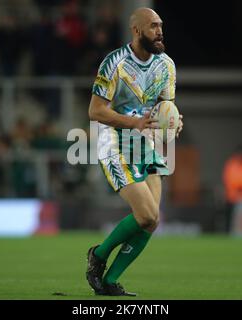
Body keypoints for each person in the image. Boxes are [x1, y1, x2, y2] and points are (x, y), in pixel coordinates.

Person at [86, 8, 183, 296]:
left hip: (146, 143)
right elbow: (95, 110)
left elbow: (165, 109)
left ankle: (109, 282)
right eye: (153, 26)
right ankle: (98, 256)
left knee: (152, 221)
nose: (160, 31)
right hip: (115, 142)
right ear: (137, 30)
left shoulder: (166, 65)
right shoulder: (114, 63)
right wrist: (134, 122)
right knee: (145, 215)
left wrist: (173, 122)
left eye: (161, 25)